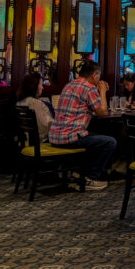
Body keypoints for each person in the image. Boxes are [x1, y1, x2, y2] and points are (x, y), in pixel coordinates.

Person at [48, 61, 116, 191]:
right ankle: (91, 178)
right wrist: (102, 91)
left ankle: (79, 173)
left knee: (94, 136)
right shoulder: (89, 88)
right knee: (110, 142)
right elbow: (102, 113)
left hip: (55, 136)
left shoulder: (70, 84)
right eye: (99, 76)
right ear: (95, 75)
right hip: (69, 137)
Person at [17, 73, 54, 142]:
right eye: (41, 85)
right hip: (40, 141)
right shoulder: (37, 104)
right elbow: (47, 126)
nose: (42, 87)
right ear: (34, 86)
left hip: (26, 139)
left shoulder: (20, 102)